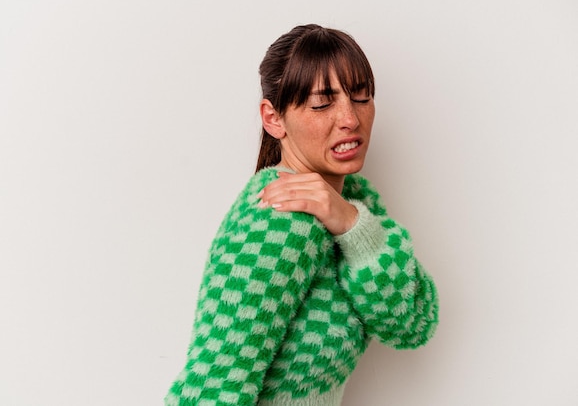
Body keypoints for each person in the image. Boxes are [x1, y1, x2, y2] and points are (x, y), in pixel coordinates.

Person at [165, 24, 439, 406]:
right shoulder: (281, 217)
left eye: (361, 95)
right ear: (274, 118)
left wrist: (352, 225)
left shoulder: (355, 204)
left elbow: (413, 324)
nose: (350, 118)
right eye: (322, 103)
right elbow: (215, 381)